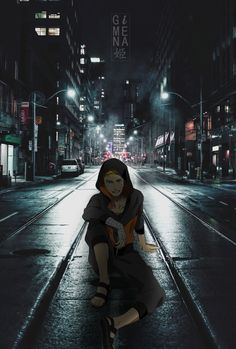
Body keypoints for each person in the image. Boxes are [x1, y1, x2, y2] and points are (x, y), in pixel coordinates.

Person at [82, 158, 165, 349]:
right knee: (96, 227)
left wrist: (143, 243)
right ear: (102, 183)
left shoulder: (136, 197)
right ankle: (104, 282)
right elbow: (87, 214)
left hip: (127, 254)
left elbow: (139, 221)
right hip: (102, 253)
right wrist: (114, 223)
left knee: (157, 293)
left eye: (118, 180)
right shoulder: (98, 200)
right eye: (109, 182)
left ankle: (114, 323)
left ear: (125, 180)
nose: (115, 187)